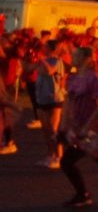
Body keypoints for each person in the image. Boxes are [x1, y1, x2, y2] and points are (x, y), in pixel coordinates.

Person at [59, 46, 98, 207]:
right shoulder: (74, 77)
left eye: (76, 55)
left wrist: (88, 126)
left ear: (88, 58)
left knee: (74, 161)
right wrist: (64, 125)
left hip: (96, 129)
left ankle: (84, 195)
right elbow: (69, 102)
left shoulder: (94, 78)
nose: (72, 57)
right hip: (81, 129)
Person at [33, 39, 69, 168]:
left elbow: (50, 71)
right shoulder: (42, 60)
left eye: (46, 47)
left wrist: (42, 60)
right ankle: (50, 155)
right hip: (42, 97)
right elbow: (32, 69)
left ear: (51, 49)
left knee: (53, 130)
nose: (43, 48)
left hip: (54, 98)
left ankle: (59, 157)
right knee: (45, 130)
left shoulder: (57, 61)